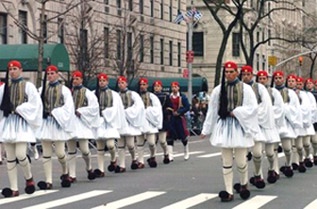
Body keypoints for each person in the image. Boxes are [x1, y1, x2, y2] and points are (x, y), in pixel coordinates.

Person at [201, 61, 258, 202]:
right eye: (226, 72)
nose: (228, 74)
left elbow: (252, 108)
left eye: (231, 71)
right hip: (224, 126)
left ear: (237, 72)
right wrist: (206, 129)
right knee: (226, 160)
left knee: (240, 161)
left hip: (240, 126)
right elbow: (212, 110)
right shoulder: (218, 90)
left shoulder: (246, 89)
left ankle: (244, 183)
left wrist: (237, 112)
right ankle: (228, 191)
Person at [0, 60, 43, 197]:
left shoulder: (28, 86)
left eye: (15, 68)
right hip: (8, 123)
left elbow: (35, 104)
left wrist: (20, 109)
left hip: (21, 123)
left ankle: (29, 178)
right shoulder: (4, 87)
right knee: (10, 157)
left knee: (20, 154)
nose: (12, 71)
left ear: (21, 70)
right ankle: (14, 188)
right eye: (10, 69)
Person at [36, 65, 74, 190]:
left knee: (60, 153)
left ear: (57, 74)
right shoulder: (42, 89)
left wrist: (56, 113)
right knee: (46, 153)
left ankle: (65, 172)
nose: (50, 75)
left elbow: (68, 107)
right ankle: (48, 181)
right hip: (46, 122)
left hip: (58, 122)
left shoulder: (64, 90)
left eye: (53, 73)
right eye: (49, 73)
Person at [240, 66, 277, 189]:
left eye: (248, 74)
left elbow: (265, 106)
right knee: (242, 156)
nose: (246, 76)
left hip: (258, 124)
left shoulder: (259, 88)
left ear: (252, 75)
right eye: (244, 74)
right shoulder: (238, 88)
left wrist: (251, 115)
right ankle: (245, 181)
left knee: (260, 153)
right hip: (242, 125)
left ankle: (267, 170)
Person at [67, 70, 99, 182]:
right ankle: (72, 174)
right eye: (73, 79)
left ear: (81, 80)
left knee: (85, 150)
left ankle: (89, 167)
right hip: (71, 123)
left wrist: (81, 111)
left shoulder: (88, 93)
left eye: (77, 79)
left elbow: (94, 108)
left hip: (82, 123)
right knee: (70, 149)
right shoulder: (68, 93)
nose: (75, 81)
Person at [93, 73, 125, 177]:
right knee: (100, 146)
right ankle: (101, 169)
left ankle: (113, 158)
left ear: (107, 82)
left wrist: (105, 112)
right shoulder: (94, 93)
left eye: (103, 81)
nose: (101, 83)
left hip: (109, 122)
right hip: (99, 122)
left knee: (111, 145)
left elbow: (115, 109)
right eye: (100, 81)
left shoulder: (113, 94)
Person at [256, 70, 284, 183]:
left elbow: (279, 108)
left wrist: (268, 112)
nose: (262, 81)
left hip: (269, 124)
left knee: (270, 153)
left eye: (264, 78)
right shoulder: (252, 91)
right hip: (257, 125)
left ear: (267, 79)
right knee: (257, 153)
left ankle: (272, 168)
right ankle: (258, 175)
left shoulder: (273, 92)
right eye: (260, 79)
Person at [272, 71, 302, 177]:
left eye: (280, 78)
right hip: (274, 124)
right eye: (276, 78)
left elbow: (295, 108)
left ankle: (288, 164)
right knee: (273, 149)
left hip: (286, 123)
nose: (278, 80)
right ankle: (274, 169)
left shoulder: (290, 93)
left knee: (287, 148)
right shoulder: (271, 92)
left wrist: (285, 109)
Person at [115, 76, 145, 172]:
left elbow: (139, 106)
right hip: (120, 122)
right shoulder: (116, 95)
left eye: (123, 83)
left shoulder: (133, 94)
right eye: (119, 83)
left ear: (126, 84)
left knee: (130, 144)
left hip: (129, 122)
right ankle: (122, 165)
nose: (121, 85)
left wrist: (127, 112)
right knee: (120, 145)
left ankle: (134, 158)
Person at [136, 78, 163, 168]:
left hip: (149, 122)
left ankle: (152, 156)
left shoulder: (152, 97)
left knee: (151, 142)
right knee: (139, 143)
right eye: (141, 85)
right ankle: (141, 161)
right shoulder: (136, 96)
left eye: (144, 85)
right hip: (139, 122)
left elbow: (157, 109)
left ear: (147, 86)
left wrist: (147, 111)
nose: (142, 86)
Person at [167, 81, 190, 161]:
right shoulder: (169, 97)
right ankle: (170, 155)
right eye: (172, 87)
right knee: (169, 136)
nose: (174, 89)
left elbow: (187, 107)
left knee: (183, 136)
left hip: (180, 118)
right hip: (171, 118)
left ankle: (186, 151)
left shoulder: (182, 97)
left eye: (175, 87)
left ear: (178, 88)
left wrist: (180, 112)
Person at [152, 80, 170, 164]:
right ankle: (153, 156)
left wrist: (166, 112)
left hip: (163, 120)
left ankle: (166, 153)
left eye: (158, 86)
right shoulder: (151, 96)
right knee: (153, 141)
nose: (156, 88)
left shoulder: (165, 96)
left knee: (162, 141)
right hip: (152, 120)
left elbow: (170, 107)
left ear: (161, 87)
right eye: (155, 86)